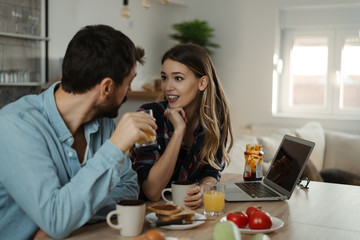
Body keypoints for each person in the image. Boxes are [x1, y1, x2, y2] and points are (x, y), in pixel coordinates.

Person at [0, 25, 157, 239]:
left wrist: (72, 216)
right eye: (128, 83)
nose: (130, 90)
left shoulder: (103, 124)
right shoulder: (16, 127)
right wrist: (115, 147)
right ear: (107, 88)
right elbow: (57, 219)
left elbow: (129, 188)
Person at [130, 43, 233, 209]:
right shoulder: (147, 116)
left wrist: (203, 190)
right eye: (164, 77)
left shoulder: (215, 122)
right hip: (148, 214)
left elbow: (211, 173)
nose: (167, 87)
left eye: (178, 78)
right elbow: (152, 191)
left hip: (187, 213)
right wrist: (179, 131)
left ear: (202, 83)